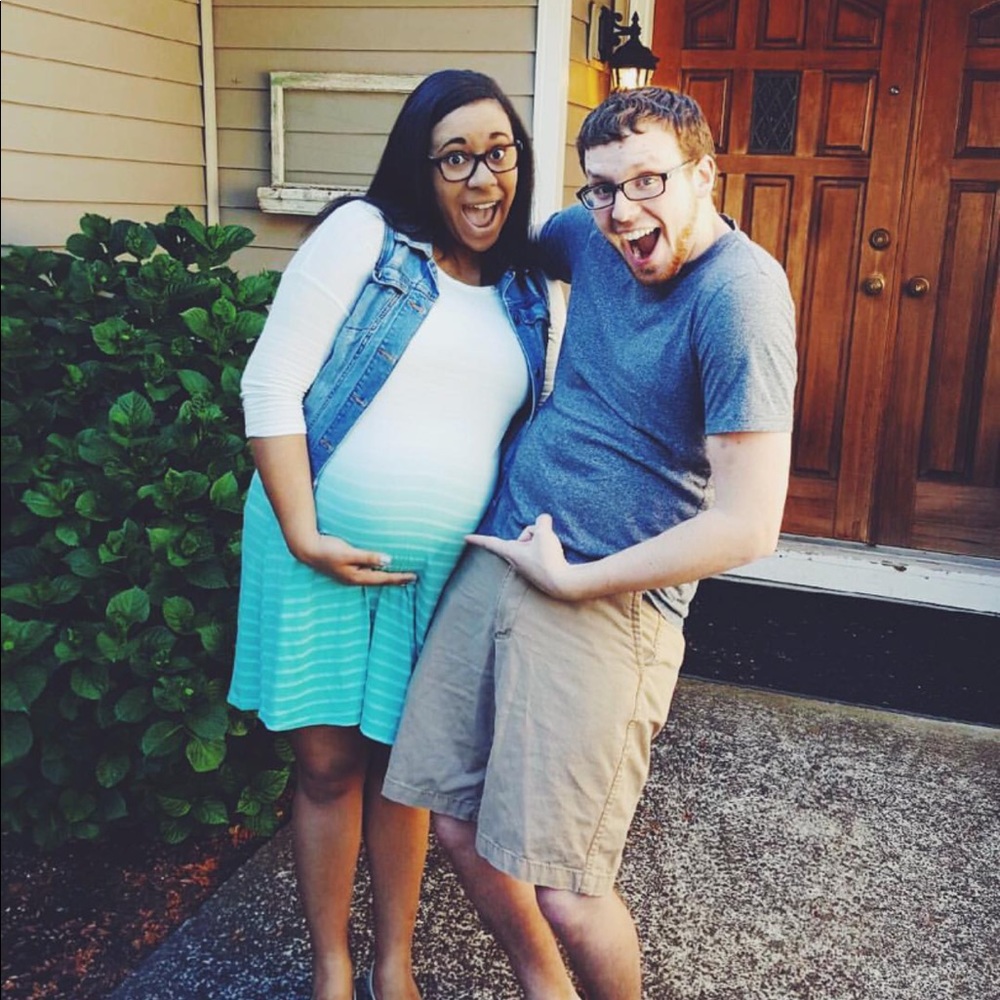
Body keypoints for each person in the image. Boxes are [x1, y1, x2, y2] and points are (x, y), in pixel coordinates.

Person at [382, 86, 798, 1000]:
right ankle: (547, 990)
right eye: (602, 188)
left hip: (609, 599)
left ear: (704, 175)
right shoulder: (591, 233)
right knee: (452, 819)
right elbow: (480, 233)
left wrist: (578, 582)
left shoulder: (741, 296)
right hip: (505, 552)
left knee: (569, 889)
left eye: (648, 182)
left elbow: (749, 523)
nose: (623, 212)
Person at [228, 70, 551, 1000]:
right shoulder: (364, 237)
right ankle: (333, 968)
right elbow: (269, 386)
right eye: (456, 157)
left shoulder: (529, 289)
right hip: (315, 547)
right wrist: (302, 532)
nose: (482, 178)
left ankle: (394, 965)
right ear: (422, 165)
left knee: (404, 774)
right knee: (329, 765)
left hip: (438, 576)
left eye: (499, 153)